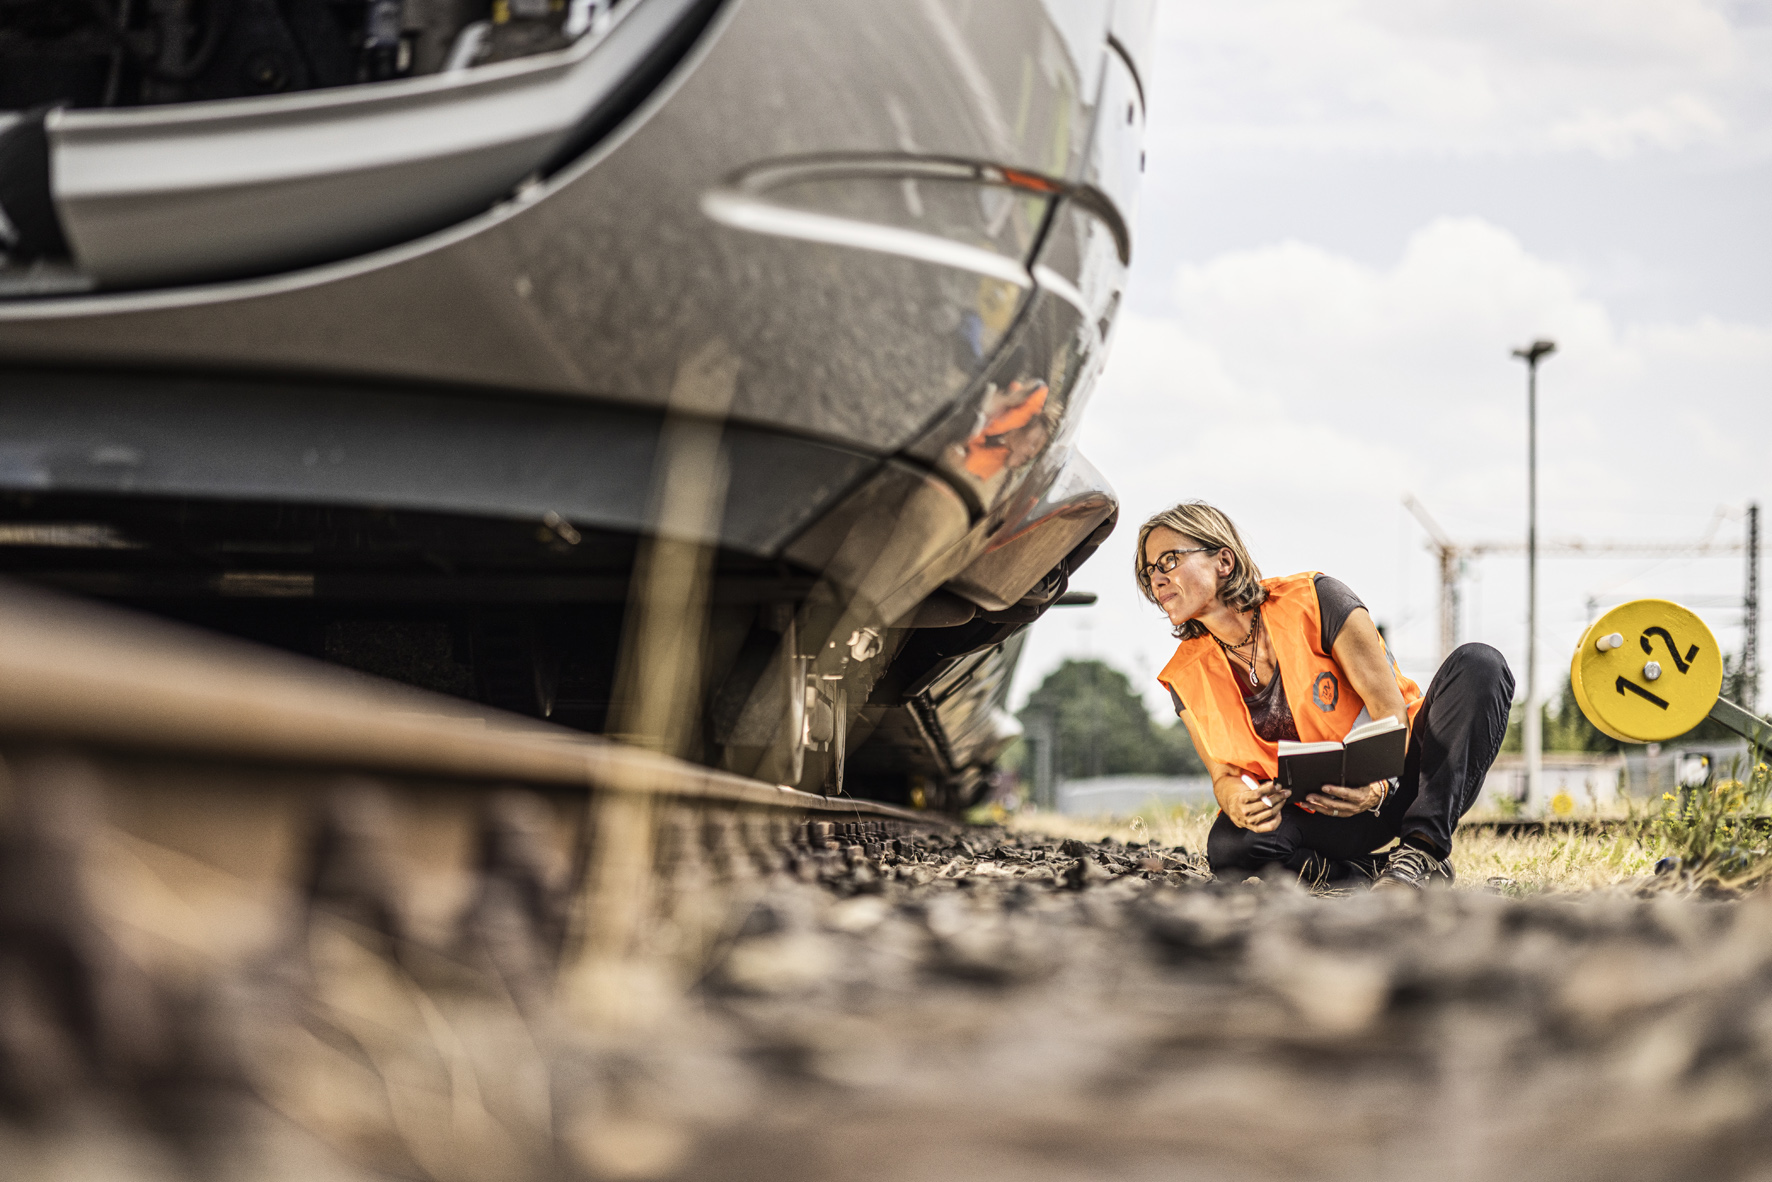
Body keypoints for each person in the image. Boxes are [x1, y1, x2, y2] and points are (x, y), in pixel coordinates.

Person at [1136, 501, 1514, 889]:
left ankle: (1421, 852)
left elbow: (1389, 711)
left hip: (1403, 782)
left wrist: (1377, 788)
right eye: (1149, 572)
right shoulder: (1184, 675)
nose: (1157, 580)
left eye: (1168, 561)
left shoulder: (1318, 600)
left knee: (1480, 664)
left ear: (1224, 561)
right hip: (1318, 810)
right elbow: (1225, 776)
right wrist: (1236, 802)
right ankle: (1368, 875)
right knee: (1231, 848)